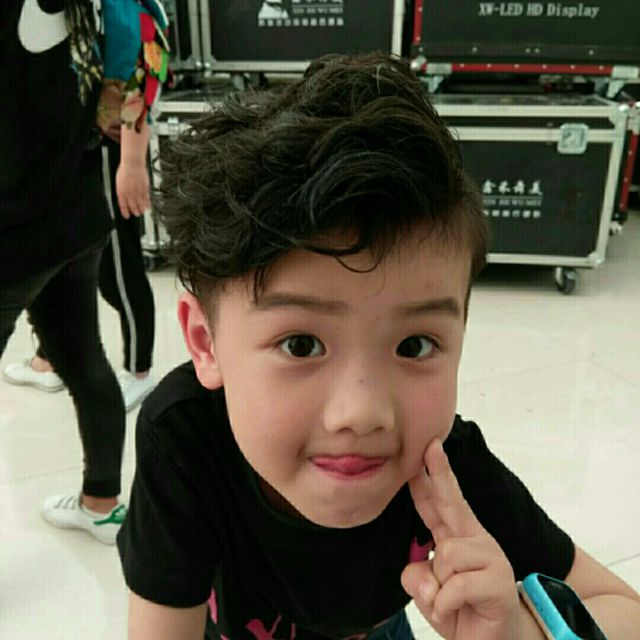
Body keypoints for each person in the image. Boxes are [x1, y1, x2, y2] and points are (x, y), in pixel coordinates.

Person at [116, 54, 640, 638]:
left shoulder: (447, 470)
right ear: (205, 342)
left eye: (414, 345)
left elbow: (623, 610)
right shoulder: (184, 440)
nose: (362, 413)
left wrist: (521, 632)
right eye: (301, 344)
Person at [1, 0, 167, 543]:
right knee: (84, 360)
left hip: (14, 234)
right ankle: (102, 503)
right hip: (74, 216)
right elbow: (135, 68)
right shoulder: (92, 6)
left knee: (85, 357)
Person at [2, 130, 157, 411]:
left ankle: (139, 370)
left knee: (119, 269)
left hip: (107, 148)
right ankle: (48, 359)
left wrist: (132, 161)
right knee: (61, 258)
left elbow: (135, 101)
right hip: (69, 151)